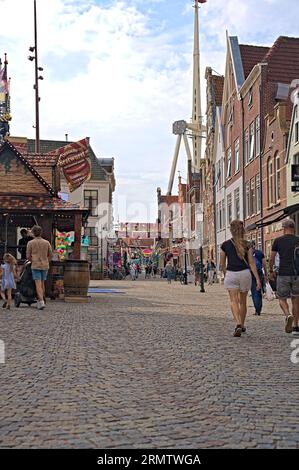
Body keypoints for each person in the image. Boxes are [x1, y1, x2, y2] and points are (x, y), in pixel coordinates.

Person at [220, 220, 261, 337]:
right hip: (245, 274)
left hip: (231, 273)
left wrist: (225, 274)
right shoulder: (248, 245)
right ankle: (242, 325)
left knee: (233, 301)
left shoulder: (225, 245)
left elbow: (222, 264)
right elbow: (252, 263)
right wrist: (257, 279)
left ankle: (238, 323)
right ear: (242, 230)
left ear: (231, 231)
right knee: (243, 301)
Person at [270, 218, 299, 336]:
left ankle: (288, 315)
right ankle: (296, 327)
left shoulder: (278, 241)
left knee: (281, 298)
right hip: (297, 274)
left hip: (283, 273)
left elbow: (272, 258)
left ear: (284, 228)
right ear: (293, 228)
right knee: (296, 300)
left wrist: (271, 270)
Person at [26, 225, 52, 311]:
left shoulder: (30, 243)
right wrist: (46, 260)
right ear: (41, 232)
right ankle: (42, 299)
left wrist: (32, 260)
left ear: (33, 233)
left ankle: (41, 301)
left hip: (35, 264)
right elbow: (50, 255)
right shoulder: (46, 242)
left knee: (38, 284)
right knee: (42, 283)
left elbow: (28, 256)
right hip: (45, 265)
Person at [250, 241, 268, 315]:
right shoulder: (260, 253)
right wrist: (266, 274)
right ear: (255, 245)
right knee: (258, 290)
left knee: (254, 291)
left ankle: (257, 309)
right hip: (259, 272)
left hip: (250, 273)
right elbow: (264, 264)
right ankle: (258, 308)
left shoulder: (248, 253)